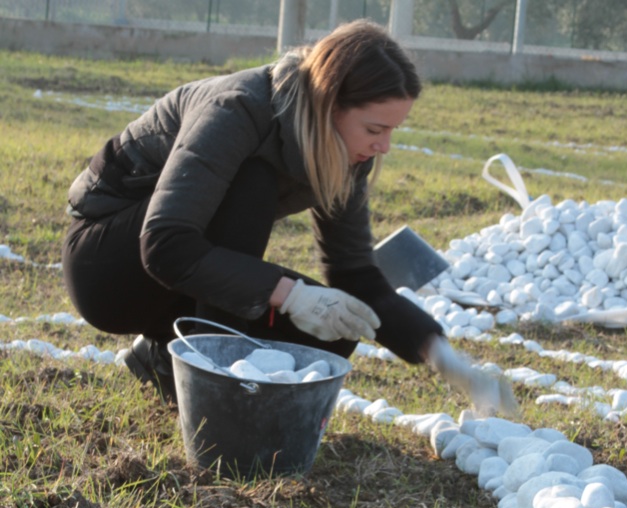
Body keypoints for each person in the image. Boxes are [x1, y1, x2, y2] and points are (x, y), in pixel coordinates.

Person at [62, 19, 508, 413]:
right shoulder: (237, 109)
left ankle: (162, 358)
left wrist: (436, 350)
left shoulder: (347, 154)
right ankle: (207, 376)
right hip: (106, 268)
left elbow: (354, 274)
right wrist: (290, 295)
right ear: (329, 103)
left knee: (339, 329)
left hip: (179, 276)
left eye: (393, 130)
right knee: (251, 184)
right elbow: (165, 244)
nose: (383, 146)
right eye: (375, 129)